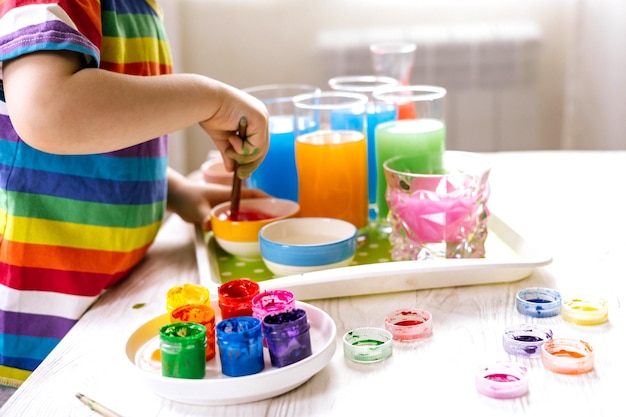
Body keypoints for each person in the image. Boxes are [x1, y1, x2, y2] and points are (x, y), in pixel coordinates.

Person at [0, 0, 270, 389]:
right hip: (31, 342)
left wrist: (173, 189)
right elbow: (48, 111)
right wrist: (210, 99)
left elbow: (99, 133)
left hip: (102, 310)